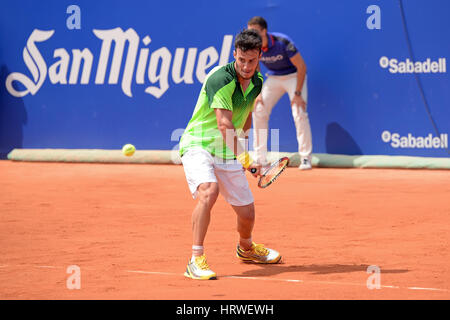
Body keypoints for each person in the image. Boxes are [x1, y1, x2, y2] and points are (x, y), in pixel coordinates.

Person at [178, 29, 282, 280]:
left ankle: (246, 249)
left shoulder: (257, 81)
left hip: (227, 149)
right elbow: (224, 124)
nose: (246, 66)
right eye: (241, 60)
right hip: (198, 145)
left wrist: (242, 148)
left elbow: (245, 116)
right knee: (208, 191)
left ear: (259, 58)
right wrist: (246, 159)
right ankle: (195, 259)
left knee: (247, 213)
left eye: (252, 61)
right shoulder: (221, 79)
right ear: (234, 54)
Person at [247, 16, 313, 170]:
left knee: (299, 112)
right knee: (259, 109)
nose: (252, 35)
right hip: (274, 78)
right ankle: (260, 159)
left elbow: (302, 67)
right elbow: (256, 68)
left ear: (264, 31)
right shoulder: (252, 46)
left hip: (293, 76)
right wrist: (258, 92)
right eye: (250, 32)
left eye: (255, 31)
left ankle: (305, 158)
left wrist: (297, 93)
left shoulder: (282, 42)